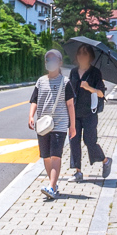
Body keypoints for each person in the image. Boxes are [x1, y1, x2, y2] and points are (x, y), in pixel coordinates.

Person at [28, 49, 77, 200]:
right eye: (48, 60)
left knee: (55, 156)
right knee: (46, 157)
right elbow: (34, 100)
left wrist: (72, 126)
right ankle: (53, 186)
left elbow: (70, 106)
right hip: (43, 124)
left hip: (60, 124)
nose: (50, 62)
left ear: (60, 62)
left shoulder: (66, 82)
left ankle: (51, 186)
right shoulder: (41, 81)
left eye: (54, 59)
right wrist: (30, 115)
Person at [68, 43, 112, 182]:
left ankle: (105, 160)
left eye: (85, 54)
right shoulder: (73, 72)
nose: (82, 56)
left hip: (89, 113)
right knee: (74, 141)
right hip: (74, 112)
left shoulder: (95, 73)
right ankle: (78, 172)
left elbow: (101, 94)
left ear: (90, 56)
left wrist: (89, 87)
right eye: (80, 53)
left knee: (90, 141)